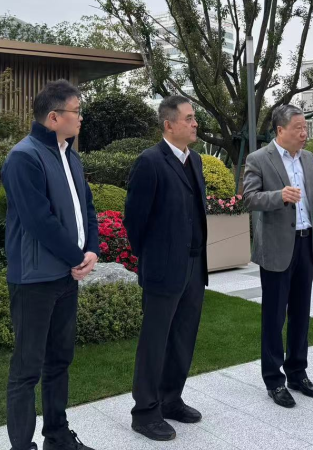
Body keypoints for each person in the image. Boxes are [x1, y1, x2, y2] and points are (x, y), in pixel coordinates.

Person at [1, 80, 99, 450]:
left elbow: (86, 208)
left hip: (66, 277)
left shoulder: (70, 155)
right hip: (34, 280)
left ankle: (57, 437)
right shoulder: (23, 157)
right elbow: (39, 221)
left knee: (59, 362)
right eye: (77, 111)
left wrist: (91, 249)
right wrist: (77, 257)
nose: (81, 118)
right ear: (54, 117)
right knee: (27, 369)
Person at [243, 104, 313, 408]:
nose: (304, 133)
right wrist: (279, 196)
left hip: (305, 245)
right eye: (298, 128)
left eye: (305, 127)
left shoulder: (307, 158)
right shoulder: (259, 159)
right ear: (280, 130)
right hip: (277, 248)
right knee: (274, 317)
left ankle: (297, 373)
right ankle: (274, 380)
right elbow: (249, 198)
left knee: (300, 314)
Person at [124, 95, 208, 442]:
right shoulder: (150, 161)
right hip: (163, 268)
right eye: (188, 118)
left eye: (194, 118)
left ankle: (171, 399)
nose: (195, 123)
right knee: (155, 342)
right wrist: (154, 257)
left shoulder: (195, 160)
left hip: (194, 265)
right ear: (169, 125)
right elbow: (134, 220)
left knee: (183, 338)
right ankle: (145, 412)